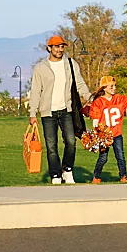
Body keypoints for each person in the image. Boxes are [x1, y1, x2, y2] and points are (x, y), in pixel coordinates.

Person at [26, 35, 90, 184]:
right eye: (56, 47)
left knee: (71, 142)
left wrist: (88, 96)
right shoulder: (41, 67)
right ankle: (55, 174)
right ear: (49, 48)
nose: (60, 49)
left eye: (62, 47)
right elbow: (36, 91)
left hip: (66, 110)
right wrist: (32, 113)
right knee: (51, 145)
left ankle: (67, 170)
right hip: (48, 112)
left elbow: (79, 83)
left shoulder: (70, 64)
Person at [87, 75, 127, 184]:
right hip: (104, 135)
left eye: (114, 86)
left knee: (120, 156)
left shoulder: (119, 98)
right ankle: (96, 177)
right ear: (104, 88)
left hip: (116, 133)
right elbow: (96, 120)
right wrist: (96, 134)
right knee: (103, 158)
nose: (114, 88)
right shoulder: (98, 102)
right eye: (111, 86)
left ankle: (123, 177)